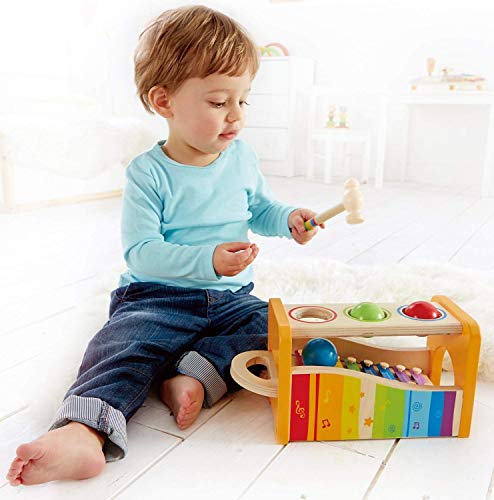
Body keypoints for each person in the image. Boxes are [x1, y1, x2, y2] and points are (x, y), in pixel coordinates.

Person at [6, 5, 323, 486]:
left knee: (272, 326)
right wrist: (207, 260)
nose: (236, 115)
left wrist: (289, 219)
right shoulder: (148, 173)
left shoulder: (241, 157)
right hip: (157, 297)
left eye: (243, 100)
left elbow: (260, 209)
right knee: (123, 346)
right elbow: (141, 252)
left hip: (232, 300)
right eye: (218, 101)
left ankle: (192, 374)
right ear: (164, 101)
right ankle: (83, 432)